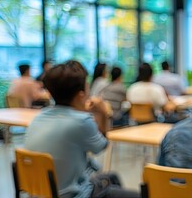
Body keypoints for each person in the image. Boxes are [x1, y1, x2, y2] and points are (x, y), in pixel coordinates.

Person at [24, 60, 139, 198]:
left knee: (112, 177)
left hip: (43, 193)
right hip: (74, 194)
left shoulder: (39, 117)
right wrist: (103, 113)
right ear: (81, 94)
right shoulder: (80, 121)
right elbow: (102, 146)